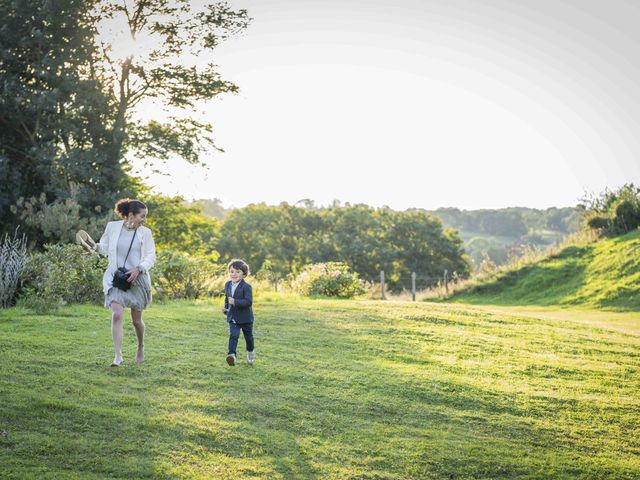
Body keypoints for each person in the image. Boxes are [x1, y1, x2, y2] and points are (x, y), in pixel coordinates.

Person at [93, 199, 156, 366]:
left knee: (136, 321)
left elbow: (151, 255)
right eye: (142, 216)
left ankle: (140, 346)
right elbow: (105, 247)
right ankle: (118, 355)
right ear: (130, 215)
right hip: (116, 278)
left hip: (137, 280)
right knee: (117, 315)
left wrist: (139, 268)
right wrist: (95, 247)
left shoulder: (146, 232)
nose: (144, 220)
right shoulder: (112, 227)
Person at [223, 259, 255, 366]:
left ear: (244, 274)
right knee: (233, 336)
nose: (234, 274)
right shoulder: (227, 285)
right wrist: (226, 308)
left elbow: (248, 302)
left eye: (237, 272)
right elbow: (227, 299)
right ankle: (232, 356)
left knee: (248, 338)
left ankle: (250, 353)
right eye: (232, 272)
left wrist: (235, 302)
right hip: (233, 317)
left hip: (246, 318)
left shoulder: (246, 287)